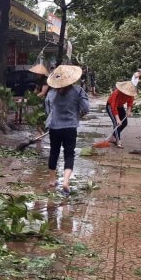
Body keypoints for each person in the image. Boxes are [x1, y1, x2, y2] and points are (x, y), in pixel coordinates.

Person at [45, 65, 90, 195]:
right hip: (70, 127)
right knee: (69, 154)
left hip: (54, 127)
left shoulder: (51, 92)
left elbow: (48, 110)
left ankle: (52, 180)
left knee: (54, 152)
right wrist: (78, 115)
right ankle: (65, 181)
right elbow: (86, 108)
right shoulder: (78, 91)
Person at [105, 81, 137, 148]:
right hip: (110, 106)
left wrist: (128, 111)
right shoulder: (116, 93)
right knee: (117, 123)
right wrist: (117, 119)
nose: (127, 95)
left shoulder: (131, 94)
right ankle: (118, 141)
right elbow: (113, 107)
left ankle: (113, 137)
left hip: (120, 106)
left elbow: (130, 103)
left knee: (124, 123)